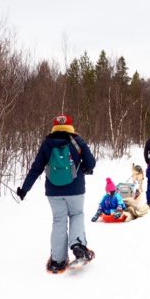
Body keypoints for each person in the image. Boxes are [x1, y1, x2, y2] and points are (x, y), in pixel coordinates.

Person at [16, 114, 97, 273]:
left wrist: (24, 189)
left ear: (54, 126)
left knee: (59, 220)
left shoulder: (47, 144)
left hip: (53, 191)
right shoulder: (77, 141)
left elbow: (36, 168)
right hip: (76, 190)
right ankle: (78, 246)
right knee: (76, 215)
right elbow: (91, 162)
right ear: (70, 126)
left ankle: (58, 260)